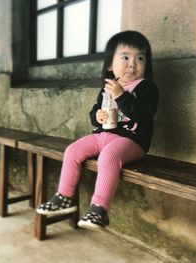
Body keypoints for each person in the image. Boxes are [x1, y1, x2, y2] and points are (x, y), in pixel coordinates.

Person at [36, 30, 159, 231]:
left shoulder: (147, 88)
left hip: (133, 141)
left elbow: (142, 114)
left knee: (108, 158)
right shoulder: (107, 87)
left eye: (140, 58)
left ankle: (99, 209)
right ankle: (65, 197)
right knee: (72, 151)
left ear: (147, 65)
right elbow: (95, 110)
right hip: (103, 135)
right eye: (125, 57)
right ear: (110, 64)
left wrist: (121, 96)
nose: (132, 64)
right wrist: (97, 117)